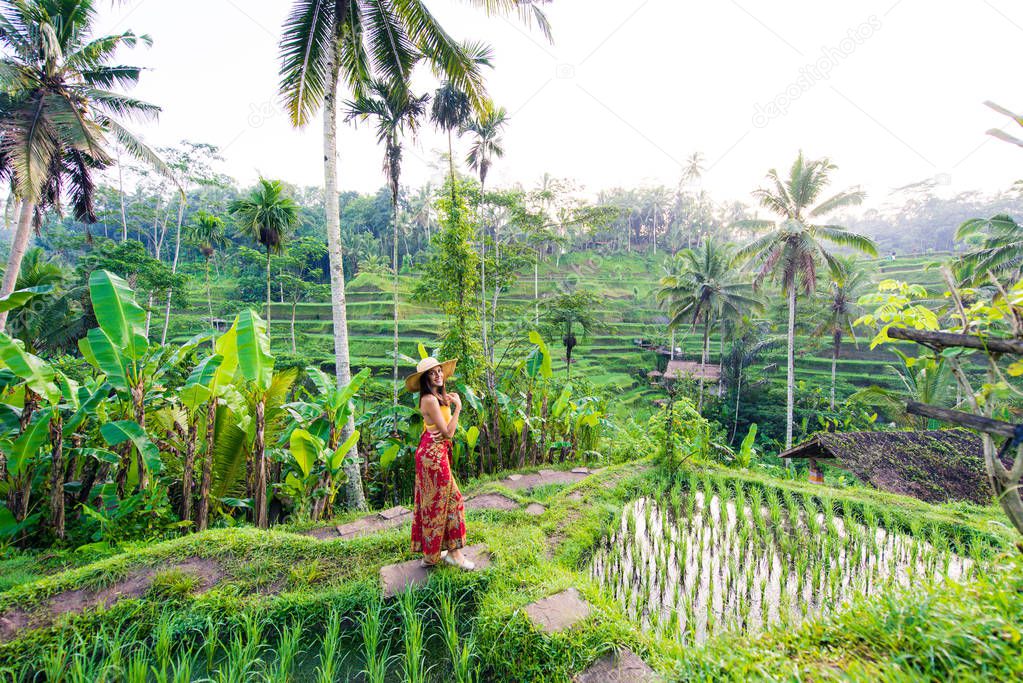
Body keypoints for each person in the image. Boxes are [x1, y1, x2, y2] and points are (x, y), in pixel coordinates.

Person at [404, 357, 474, 570]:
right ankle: (451, 554)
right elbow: (448, 433)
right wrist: (459, 408)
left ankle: (437, 553)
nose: (438, 375)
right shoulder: (430, 399)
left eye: (439, 371)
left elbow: (435, 427)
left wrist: (433, 430)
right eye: (432, 373)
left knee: (440, 501)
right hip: (432, 456)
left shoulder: (437, 397)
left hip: (436, 451)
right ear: (425, 379)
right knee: (445, 501)